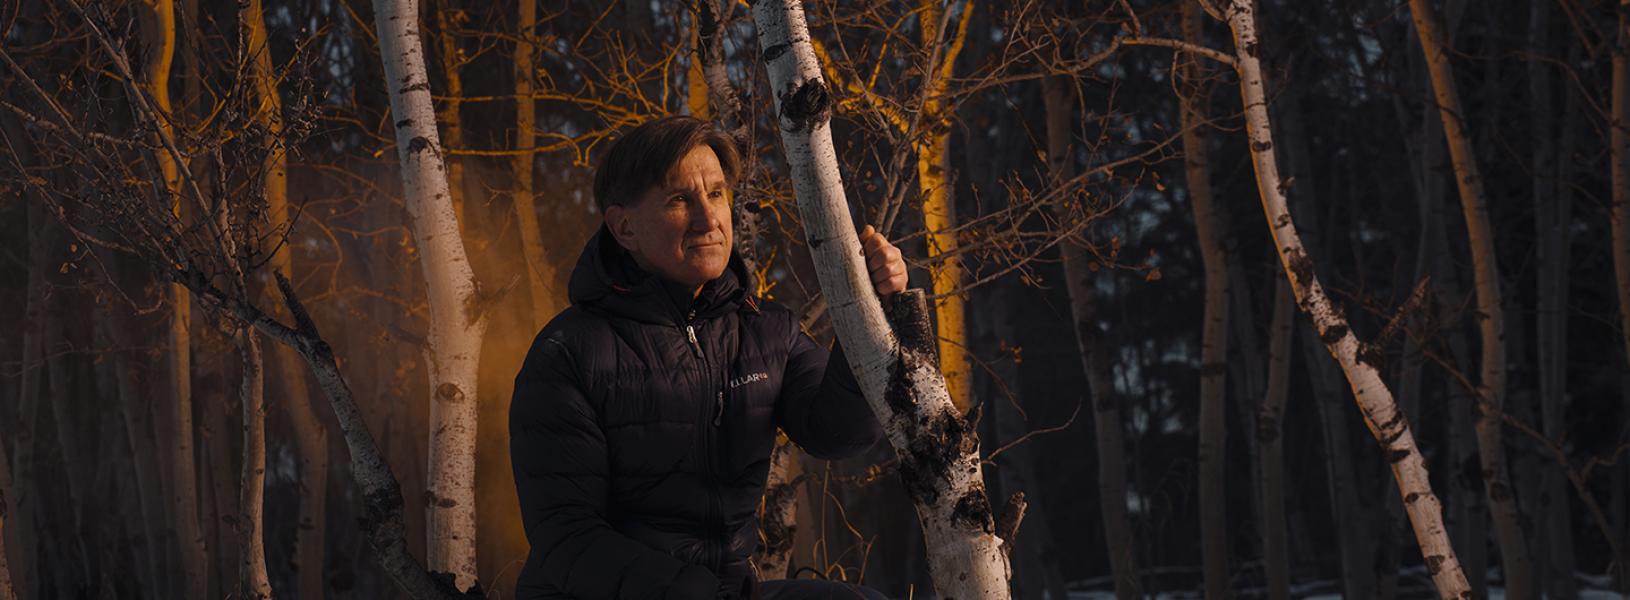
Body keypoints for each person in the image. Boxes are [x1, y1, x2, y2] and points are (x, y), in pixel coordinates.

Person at [509, 115, 905, 600]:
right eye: (680, 199)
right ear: (624, 227)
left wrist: (868, 306)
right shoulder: (568, 354)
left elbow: (840, 434)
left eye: (716, 194)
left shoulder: (763, 328)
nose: (708, 218)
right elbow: (567, 539)